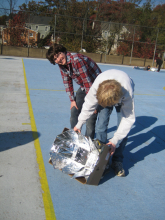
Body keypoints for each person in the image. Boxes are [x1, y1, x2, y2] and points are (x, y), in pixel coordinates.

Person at [74, 69, 135, 177]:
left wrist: (114, 140)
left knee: (123, 132)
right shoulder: (97, 87)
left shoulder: (127, 93)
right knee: (100, 127)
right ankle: (101, 159)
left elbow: (128, 118)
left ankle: (117, 160)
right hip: (106, 91)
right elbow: (88, 106)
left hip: (121, 92)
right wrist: (79, 124)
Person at [46, 43, 102, 139]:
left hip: (97, 87)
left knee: (90, 116)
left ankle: (88, 141)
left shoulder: (77, 61)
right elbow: (67, 82)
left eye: (58, 55)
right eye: (55, 59)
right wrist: (72, 100)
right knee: (74, 110)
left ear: (63, 51)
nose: (58, 60)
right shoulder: (62, 65)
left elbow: (88, 82)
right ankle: (75, 136)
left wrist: (93, 104)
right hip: (84, 87)